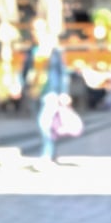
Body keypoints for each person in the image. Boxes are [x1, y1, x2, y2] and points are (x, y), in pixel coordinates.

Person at [21, 17, 70, 168]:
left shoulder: (54, 50)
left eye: (39, 29)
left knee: (44, 123)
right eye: (33, 29)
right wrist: (21, 85)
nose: (36, 33)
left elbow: (63, 72)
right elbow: (25, 71)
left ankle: (46, 155)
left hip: (51, 91)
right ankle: (52, 152)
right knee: (44, 124)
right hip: (35, 91)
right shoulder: (31, 50)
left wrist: (64, 92)